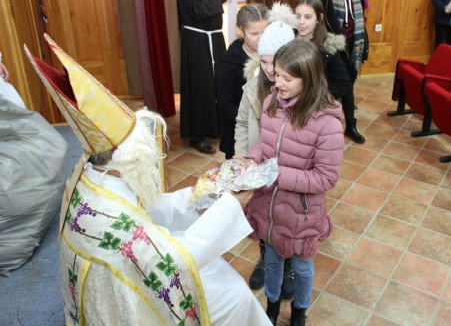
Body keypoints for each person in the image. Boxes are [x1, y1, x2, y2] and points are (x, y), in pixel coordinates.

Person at [24, 34, 272, 326]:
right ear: (128, 157)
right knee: (234, 295)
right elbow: (173, 265)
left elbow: (145, 210)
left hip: (124, 275)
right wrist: (231, 205)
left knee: (219, 273)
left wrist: (205, 195)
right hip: (128, 301)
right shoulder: (114, 221)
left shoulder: (92, 175)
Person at [244, 39, 344, 325]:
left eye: (288, 78)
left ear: (309, 79)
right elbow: (264, 147)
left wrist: (277, 175)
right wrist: (250, 161)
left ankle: (300, 309)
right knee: (272, 261)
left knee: (302, 266)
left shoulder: (327, 124)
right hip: (270, 206)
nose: (278, 83)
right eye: (276, 74)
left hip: (302, 212)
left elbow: (326, 177)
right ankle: (272, 305)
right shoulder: (270, 102)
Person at [234, 3, 297, 300]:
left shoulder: (296, 88)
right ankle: (265, 257)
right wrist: (243, 159)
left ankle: (288, 267)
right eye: (265, 63)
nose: (270, 70)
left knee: (288, 220)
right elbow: (242, 124)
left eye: (276, 63)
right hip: (258, 166)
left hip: (289, 173)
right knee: (261, 218)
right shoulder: (253, 86)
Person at [176, 0, 233, 154]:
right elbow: (197, 10)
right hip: (199, 41)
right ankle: (197, 136)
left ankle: (210, 127)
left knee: (211, 85)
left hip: (209, 38)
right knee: (200, 86)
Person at [307, 0, 367, 144]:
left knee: (348, 87)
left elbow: (360, 19)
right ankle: (325, 126)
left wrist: (363, 45)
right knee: (337, 87)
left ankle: (350, 126)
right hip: (333, 48)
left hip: (352, 47)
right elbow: (318, 21)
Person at [218, 3, 268, 159]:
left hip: (269, 134)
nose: (261, 39)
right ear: (240, 30)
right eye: (254, 33)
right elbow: (226, 105)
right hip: (239, 135)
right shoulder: (229, 62)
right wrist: (252, 124)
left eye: (265, 32)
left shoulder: (273, 56)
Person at [295, 0, 352, 108]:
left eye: (307, 17)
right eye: (297, 16)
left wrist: (318, 100)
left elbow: (344, 84)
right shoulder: (286, 40)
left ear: (319, 18)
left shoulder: (327, 48)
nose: (301, 22)